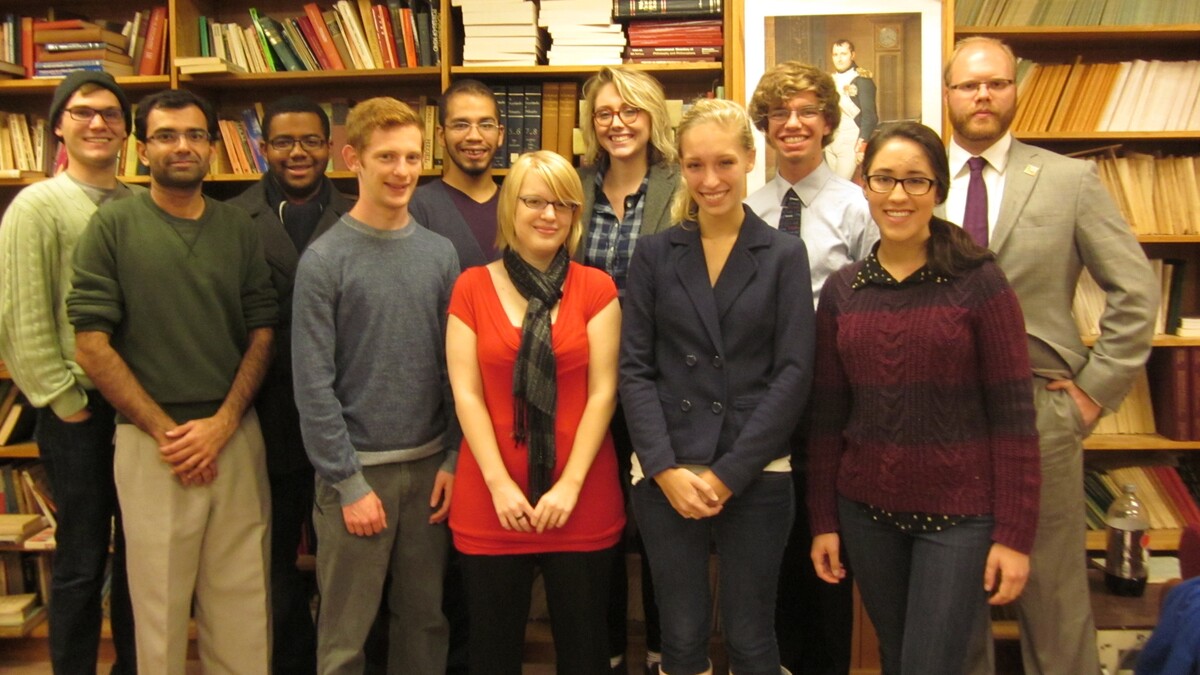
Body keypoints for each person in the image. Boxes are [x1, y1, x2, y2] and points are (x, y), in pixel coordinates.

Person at [942, 37, 1159, 675]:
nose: (983, 95)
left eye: (997, 84)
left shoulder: (1068, 179)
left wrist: (1095, 395)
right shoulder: (914, 180)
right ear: (948, 93)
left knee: (1054, 599)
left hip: (1042, 413)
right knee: (957, 605)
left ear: (1015, 90)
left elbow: (1135, 289)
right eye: (968, 85)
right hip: (944, 419)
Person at [807, 121, 1041, 675]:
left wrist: (1014, 534)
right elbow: (826, 419)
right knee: (896, 656)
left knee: (930, 664)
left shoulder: (980, 282)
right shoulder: (844, 291)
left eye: (916, 181)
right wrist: (823, 519)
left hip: (960, 517)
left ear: (938, 190)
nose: (897, 195)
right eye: (884, 179)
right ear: (864, 184)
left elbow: (1014, 418)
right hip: (866, 514)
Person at [68, 88, 277, 674]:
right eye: (165, 135)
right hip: (150, 444)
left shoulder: (237, 228)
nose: (181, 147)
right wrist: (168, 433)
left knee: (244, 601)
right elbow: (90, 343)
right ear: (142, 146)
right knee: (156, 608)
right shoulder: (112, 227)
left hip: (234, 436)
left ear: (213, 145)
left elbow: (263, 330)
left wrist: (223, 424)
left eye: (193, 135)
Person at [620, 98, 814, 675]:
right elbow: (634, 368)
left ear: (752, 160)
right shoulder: (655, 254)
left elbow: (794, 372)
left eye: (724, 163)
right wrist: (663, 467)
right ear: (680, 166)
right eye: (696, 165)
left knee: (753, 638)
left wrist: (731, 474)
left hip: (753, 468)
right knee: (680, 638)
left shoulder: (783, 253)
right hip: (667, 469)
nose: (710, 180)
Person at [291, 96, 459, 675]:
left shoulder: (440, 256)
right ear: (352, 159)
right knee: (344, 634)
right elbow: (313, 385)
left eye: (413, 157)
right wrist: (347, 481)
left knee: (425, 623)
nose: (402, 171)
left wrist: (455, 458)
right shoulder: (325, 260)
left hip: (430, 470)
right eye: (386, 156)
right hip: (357, 476)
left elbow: (453, 370)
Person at [446, 149, 625, 675]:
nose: (549, 214)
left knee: (586, 652)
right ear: (511, 208)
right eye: (535, 201)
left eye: (564, 204)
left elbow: (603, 392)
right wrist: (500, 485)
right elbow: (467, 393)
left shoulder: (597, 288)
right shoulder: (472, 287)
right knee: (492, 654)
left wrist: (568, 485)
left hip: (582, 496)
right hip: (491, 499)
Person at [0, 70, 138, 675]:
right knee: (83, 558)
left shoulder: (137, 201)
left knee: (140, 557)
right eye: (82, 112)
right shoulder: (37, 205)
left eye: (110, 113)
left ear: (127, 130)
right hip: (78, 409)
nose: (97, 123)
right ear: (59, 124)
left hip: (138, 408)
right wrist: (62, 402)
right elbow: (19, 314)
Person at [744, 60, 877, 675]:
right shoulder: (746, 204)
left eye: (805, 112)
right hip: (761, 399)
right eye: (779, 113)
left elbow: (876, 304)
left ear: (827, 122)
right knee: (767, 548)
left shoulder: (857, 206)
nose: (792, 124)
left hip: (831, 402)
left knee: (826, 544)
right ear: (764, 126)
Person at [228, 94, 352, 675]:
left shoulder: (360, 212)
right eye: (283, 141)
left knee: (345, 558)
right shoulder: (230, 216)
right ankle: (293, 661)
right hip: (266, 415)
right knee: (273, 555)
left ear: (331, 148)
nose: (297, 152)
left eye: (310, 141)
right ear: (263, 147)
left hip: (349, 421)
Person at [578, 63, 677, 675]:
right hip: (585, 383)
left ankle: (670, 651)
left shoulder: (682, 185)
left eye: (631, 110)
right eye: (606, 113)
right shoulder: (573, 186)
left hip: (662, 384)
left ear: (652, 117)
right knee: (599, 524)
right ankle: (607, 650)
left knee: (663, 524)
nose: (618, 123)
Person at [409, 78, 504, 269]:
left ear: (500, 134)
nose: (474, 137)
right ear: (441, 135)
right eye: (461, 125)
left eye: (485, 125)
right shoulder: (415, 207)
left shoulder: (521, 206)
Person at [824, 40, 878, 181]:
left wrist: (862, 146)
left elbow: (870, 116)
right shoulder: (829, 80)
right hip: (831, 139)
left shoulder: (862, 80)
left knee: (840, 187)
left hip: (850, 139)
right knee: (831, 186)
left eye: (843, 54)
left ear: (852, 55)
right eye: (835, 54)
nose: (839, 58)